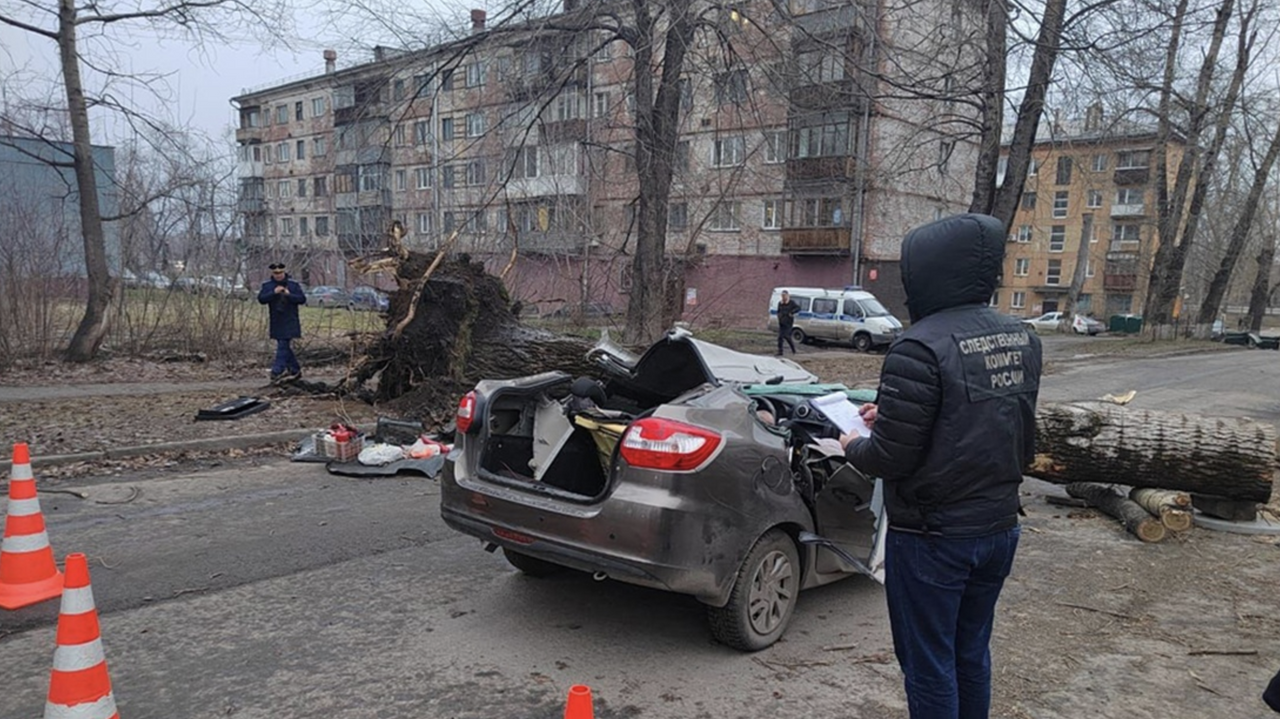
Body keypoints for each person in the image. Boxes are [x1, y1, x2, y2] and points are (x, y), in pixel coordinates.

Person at [840, 213, 1042, 719]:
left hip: (934, 538)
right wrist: (894, 413)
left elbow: (889, 457)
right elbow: (981, 415)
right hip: (998, 527)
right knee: (970, 652)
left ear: (924, 272)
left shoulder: (918, 345)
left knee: (929, 665)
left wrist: (850, 442)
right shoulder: (1020, 337)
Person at [257, 262, 306, 383]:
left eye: (280, 273)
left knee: (283, 345)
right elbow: (261, 299)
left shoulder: (293, 285)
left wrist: (289, 295)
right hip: (277, 320)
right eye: (275, 273)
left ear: (284, 272)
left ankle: (277, 370)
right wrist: (274, 293)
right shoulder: (268, 286)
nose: (278, 275)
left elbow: (302, 299)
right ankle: (295, 370)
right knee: (284, 346)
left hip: (290, 320)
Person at [776, 290, 800, 355]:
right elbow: (778, 311)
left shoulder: (791, 303)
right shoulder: (780, 303)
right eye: (782, 296)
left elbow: (798, 308)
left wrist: (791, 312)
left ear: (787, 295)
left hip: (788, 322)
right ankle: (780, 351)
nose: (783, 297)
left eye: (784, 295)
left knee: (787, 336)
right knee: (780, 337)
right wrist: (779, 316)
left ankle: (793, 350)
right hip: (781, 322)